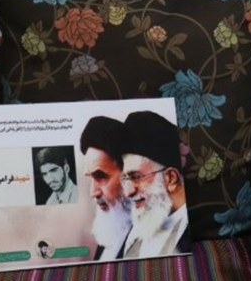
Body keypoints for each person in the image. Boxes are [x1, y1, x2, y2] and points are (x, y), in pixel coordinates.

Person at [117, 111, 191, 258]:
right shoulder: (135, 230)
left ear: (170, 178)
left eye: (136, 177)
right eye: (125, 178)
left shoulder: (190, 234)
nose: (128, 192)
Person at [80, 116, 132, 261]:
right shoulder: (111, 230)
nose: (93, 192)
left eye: (100, 177)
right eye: (90, 178)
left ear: (128, 174)